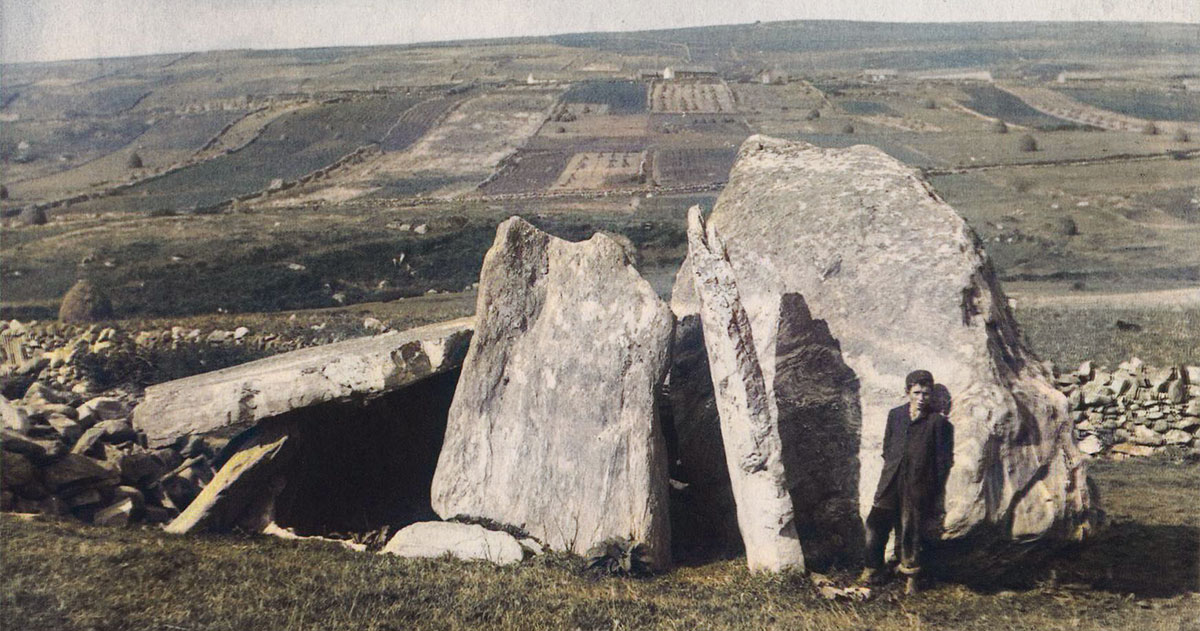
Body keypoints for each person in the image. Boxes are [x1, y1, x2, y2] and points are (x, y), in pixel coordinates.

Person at [859, 370, 951, 595]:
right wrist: (893, 467)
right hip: (891, 479)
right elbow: (887, 446)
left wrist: (932, 489)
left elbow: (942, 461)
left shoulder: (937, 423)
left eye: (926, 394)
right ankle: (873, 569)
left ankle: (911, 576)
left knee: (910, 529)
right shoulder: (896, 415)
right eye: (917, 392)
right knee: (875, 523)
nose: (921, 398)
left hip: (917, 484)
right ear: (907, 392)